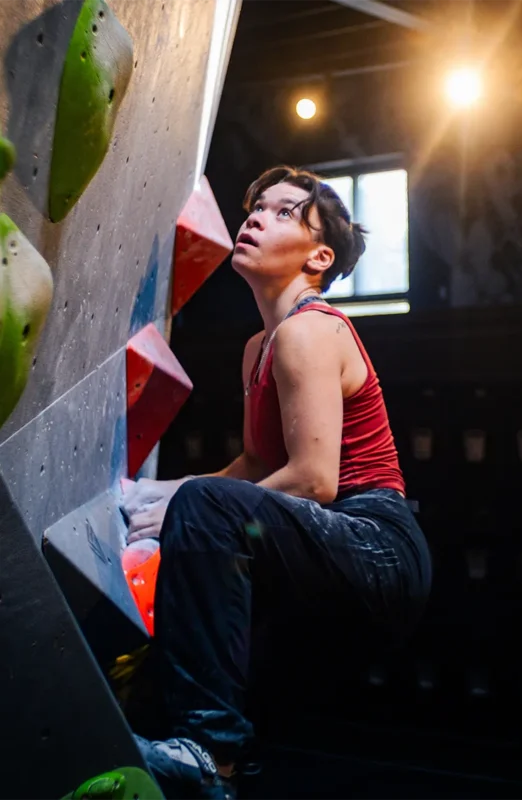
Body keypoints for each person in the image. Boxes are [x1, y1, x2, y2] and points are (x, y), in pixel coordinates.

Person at [123, 166, 432, 800]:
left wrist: (188, 502)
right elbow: (257, 466)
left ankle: (209, 749)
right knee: (204, 506)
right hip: (331, 534)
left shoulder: (309, 331)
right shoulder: (258, 346)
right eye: (256, 207)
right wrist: (145, 494)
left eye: (284, 212)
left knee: (206, 508)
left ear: (320, 257)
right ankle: (223, 763)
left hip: (376, 542)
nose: (256, 217)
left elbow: (314, 481)